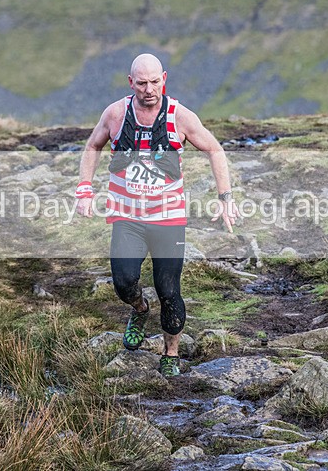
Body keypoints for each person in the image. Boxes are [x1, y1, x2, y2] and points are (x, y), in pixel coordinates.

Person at [75, 53, 238, 377]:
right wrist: (84, 189)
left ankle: (171, 353)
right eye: (141, 83)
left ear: (163, 78)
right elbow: (93, 146)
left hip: (168, 219)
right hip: (128, 216)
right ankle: (138, 309)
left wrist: (225, 198)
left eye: (154, 82)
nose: (149, 89)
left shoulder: (179, 116)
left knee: (169, 291)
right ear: (130, 82)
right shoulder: (116, 113)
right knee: (123, 282)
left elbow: (214, 149)